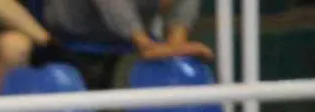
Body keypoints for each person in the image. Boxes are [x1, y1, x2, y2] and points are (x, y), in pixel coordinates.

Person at [43, 0, 213, 61]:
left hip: (132, 29)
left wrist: (176, 45)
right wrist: (144, 43)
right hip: (73, 26)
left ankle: (176, 44)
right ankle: (145, 43)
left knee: (174, 49)